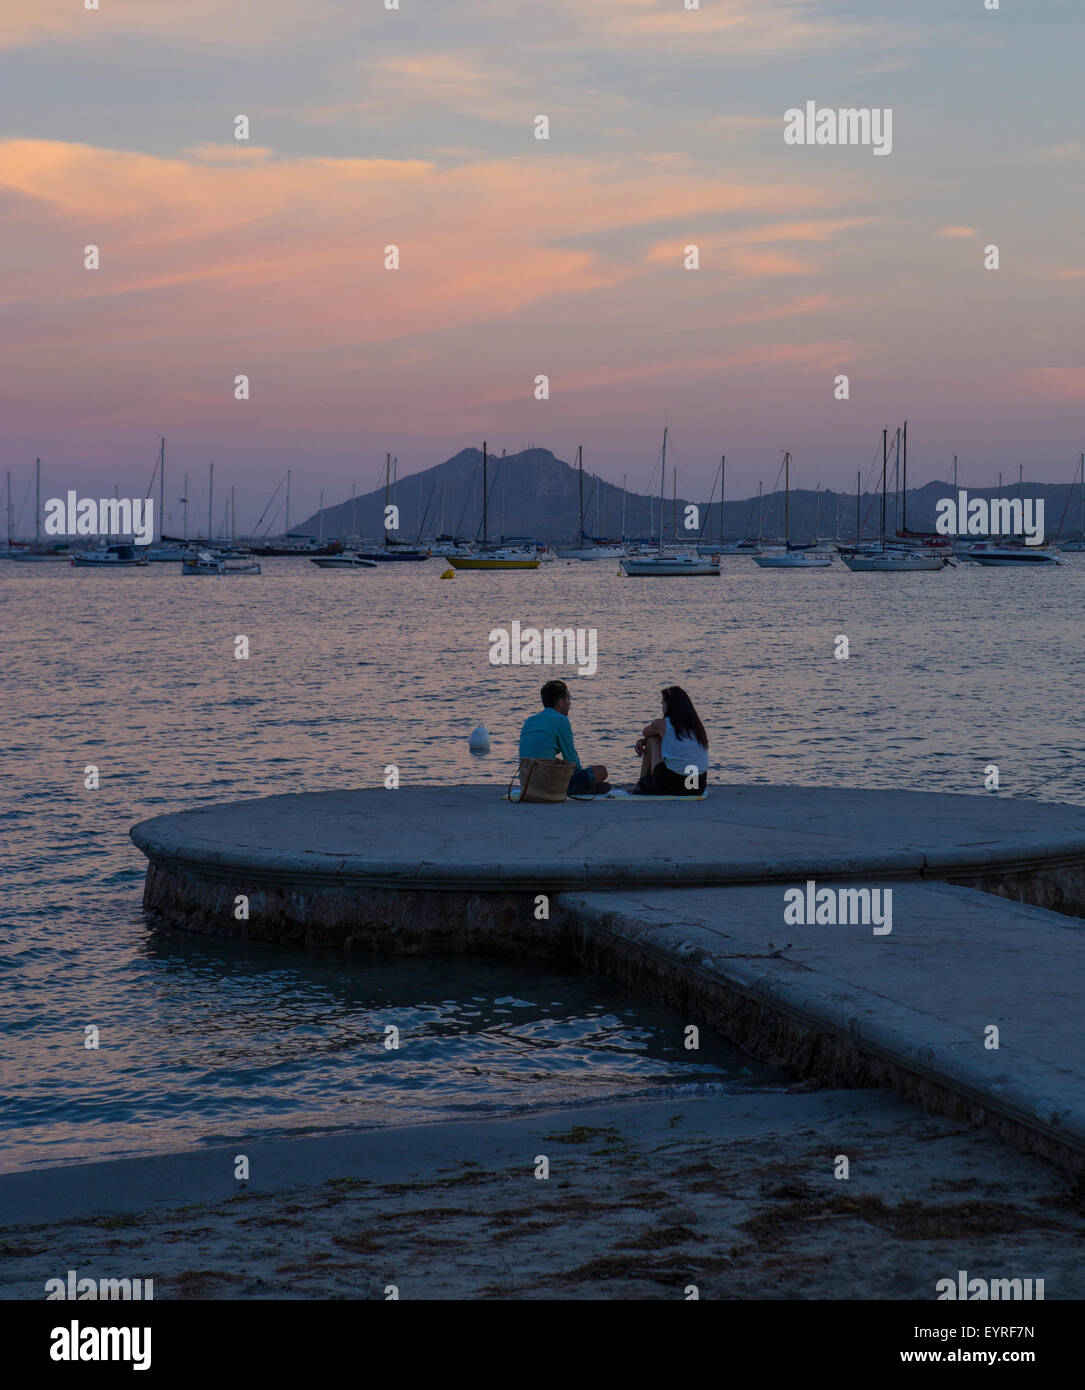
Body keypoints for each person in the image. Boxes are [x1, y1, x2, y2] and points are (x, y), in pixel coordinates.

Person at [518, 680, 609, 795]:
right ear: (561, 702)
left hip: (527, 784)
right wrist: (586, 777)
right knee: (601, 771)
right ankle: (580, 789)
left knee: (591, 776)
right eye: (568, 699)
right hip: (547, 785)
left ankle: (583, 788)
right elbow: (571, 759)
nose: (570, 703)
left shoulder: (530, 720)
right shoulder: (561, 720)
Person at [632, 685, 708, 796]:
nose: (662, 706)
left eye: (663, 703)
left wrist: (643, 741)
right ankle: (643, 784)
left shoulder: (662, 724)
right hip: (697, 786)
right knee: (659, 738)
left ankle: (641, 785)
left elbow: (646, 732)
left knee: (652, 739)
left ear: (669, 705)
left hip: (672, 786)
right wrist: (643, 740)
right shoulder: (697, 726)